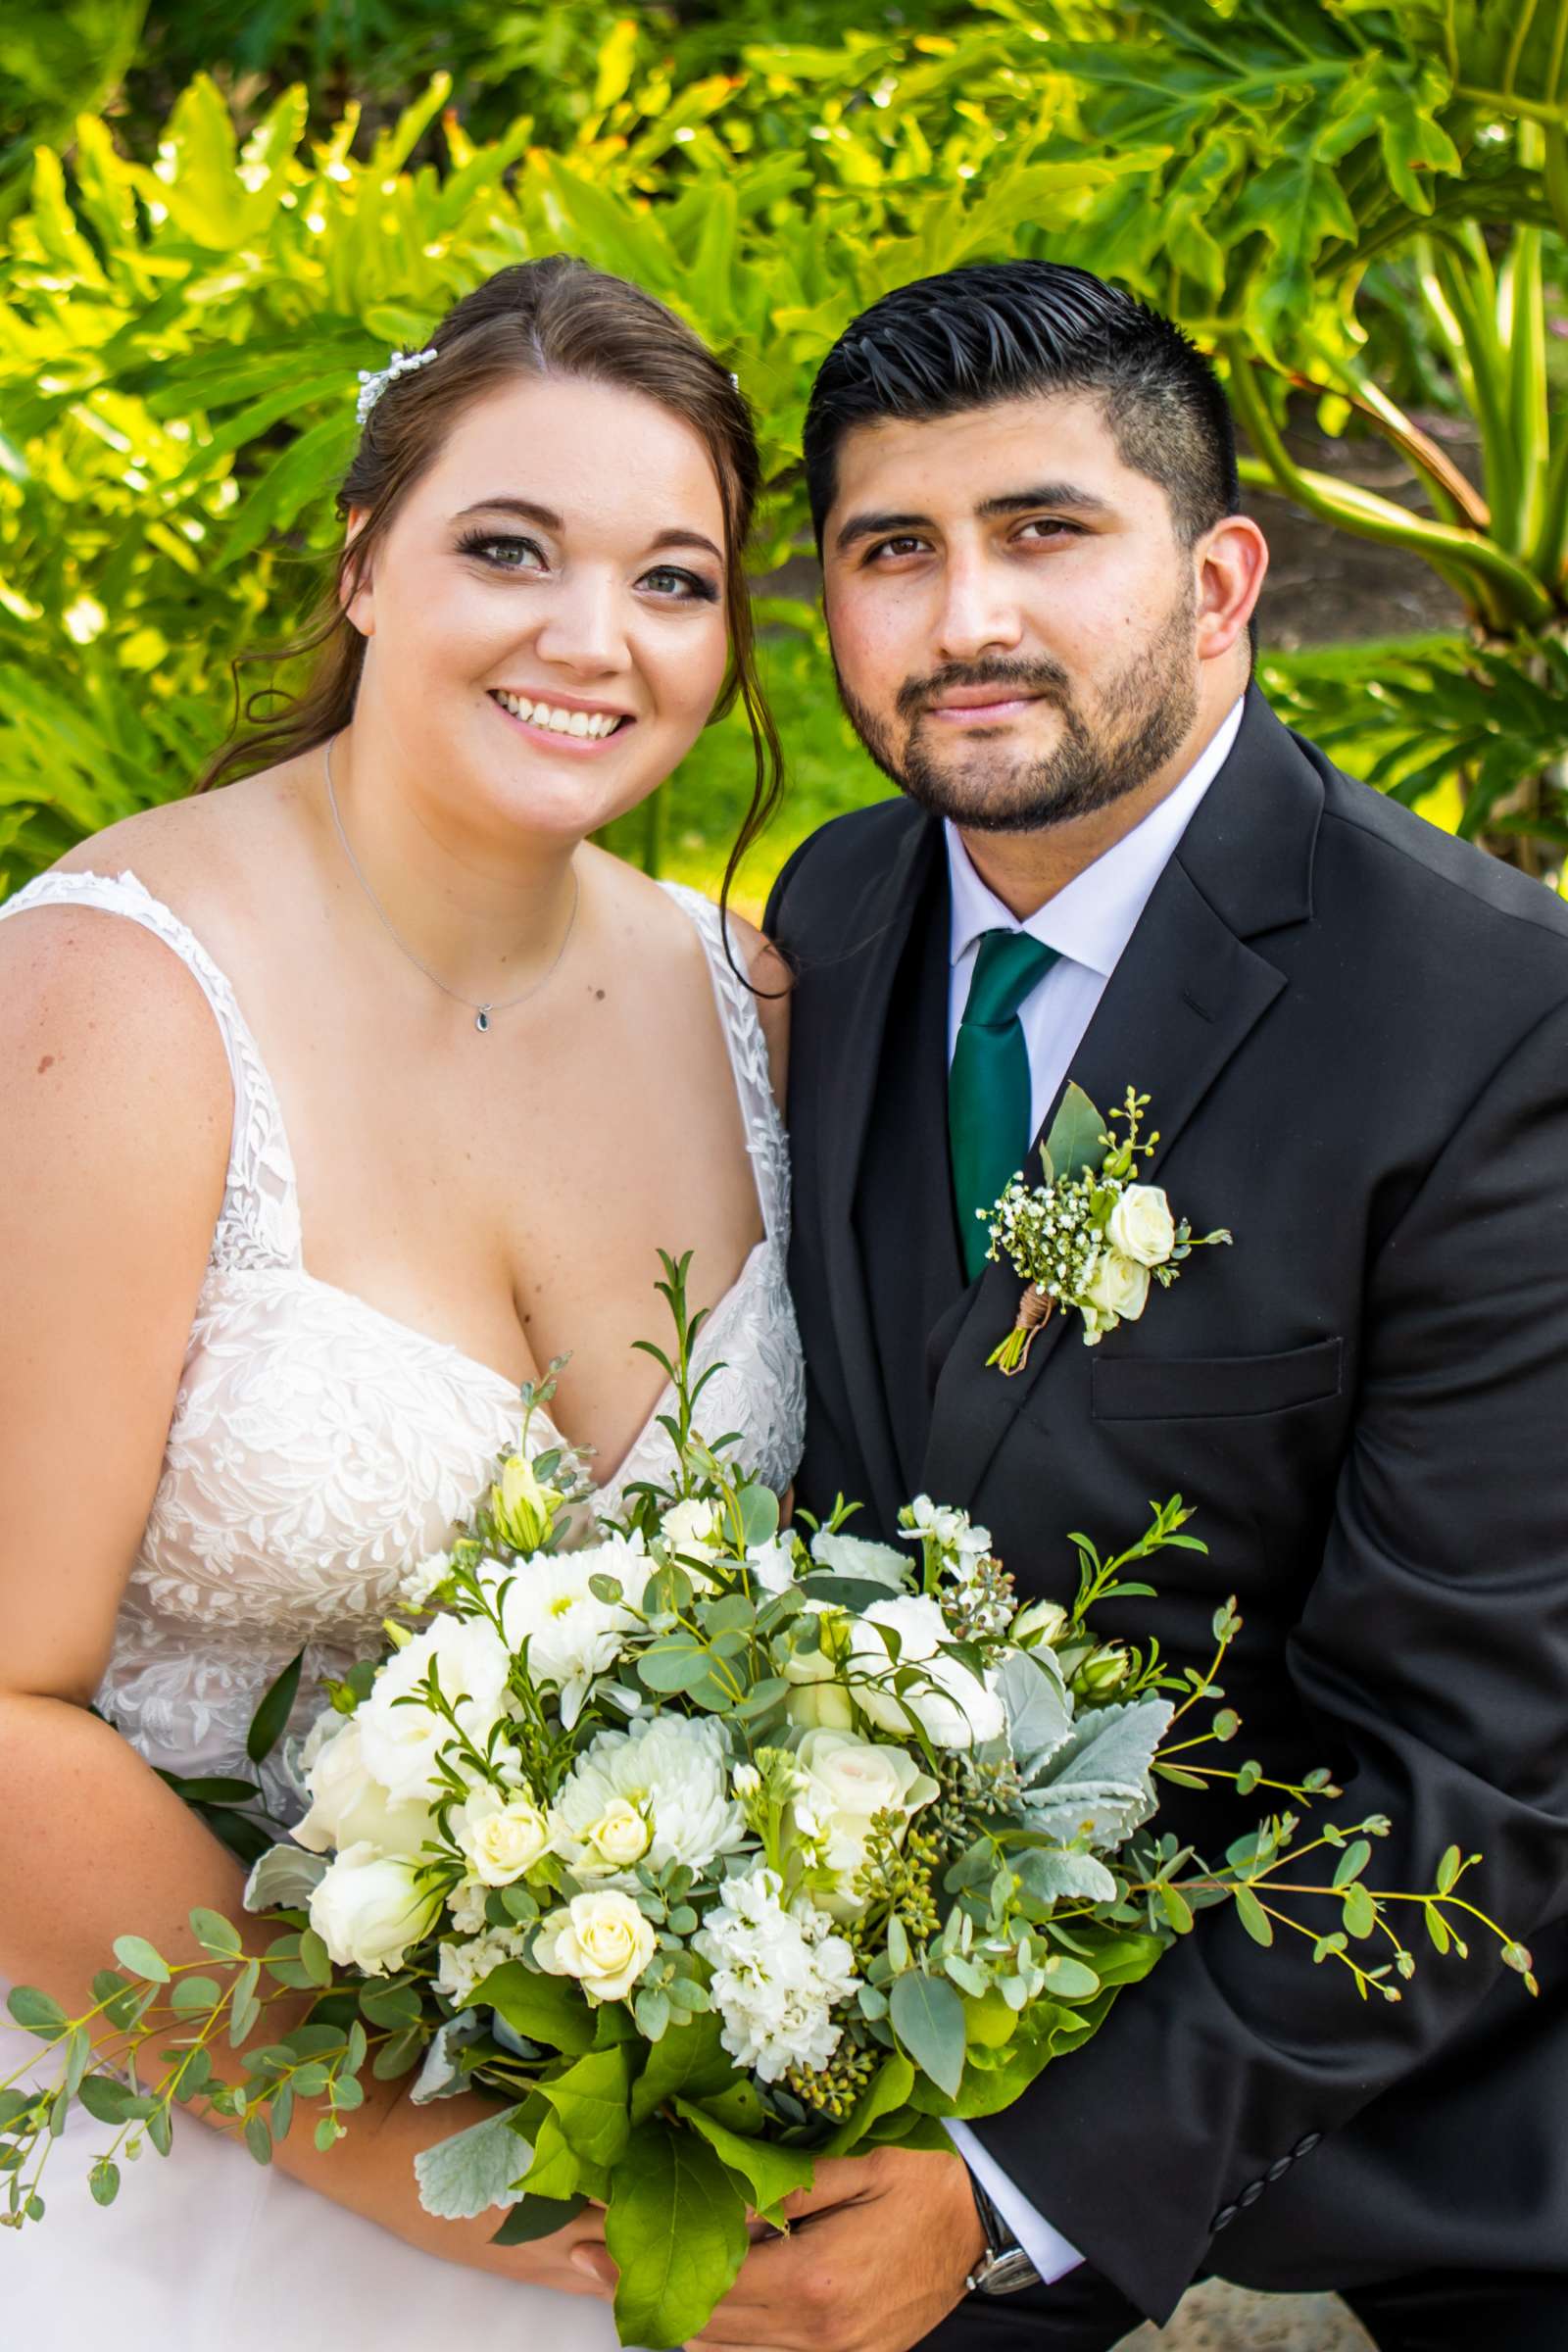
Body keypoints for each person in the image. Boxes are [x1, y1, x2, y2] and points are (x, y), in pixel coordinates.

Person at [707, 261, 1568, 2352]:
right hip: (910, 2035)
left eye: (1043, 532)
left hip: (1445, 2146)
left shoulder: (1492, 1019)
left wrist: (1010, 2190)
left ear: (1218, 577)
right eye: (889, 551)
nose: (962, 619)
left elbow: (1476, 1763)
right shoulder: (824, 913)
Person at [0, 255, 803, 2348]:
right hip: (162, 2170)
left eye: (673, 579)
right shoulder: (111, 999)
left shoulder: (753, 1003)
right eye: (508, 549)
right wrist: (438, 2192)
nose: (590, 638)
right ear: (365, 561)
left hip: (640, 2166)